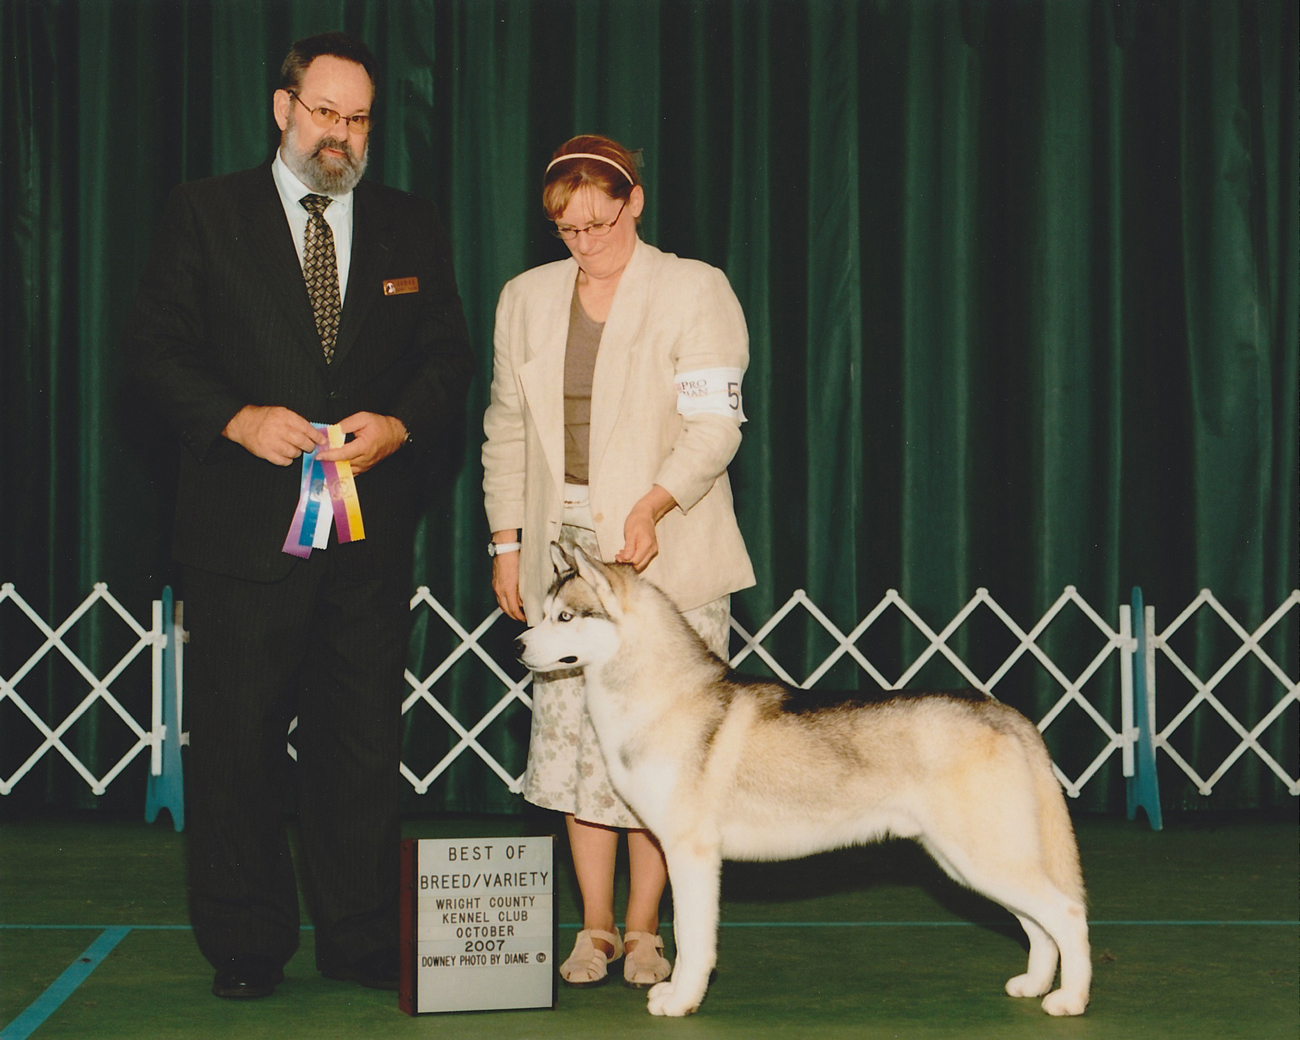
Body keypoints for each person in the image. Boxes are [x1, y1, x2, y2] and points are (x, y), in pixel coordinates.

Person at [126, 32, 473, 999]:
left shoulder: (410, 223)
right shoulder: (203, 212)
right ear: (283, 109)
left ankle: (360, 937)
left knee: (360, 746)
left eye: (359, 119)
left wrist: (399, 426)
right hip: (241, 538)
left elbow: (448, 357)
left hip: (365, 537)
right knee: (236, 748)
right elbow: (152, 351)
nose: (341, 134)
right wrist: (236, 418)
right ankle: (245, 943)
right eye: (326, 112)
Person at [482, 134, 754, 988]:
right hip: (560, 553)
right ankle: (593, 928)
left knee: (664, 753)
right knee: (575, 750)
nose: (586, 242)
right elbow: (506, 429)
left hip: (668, 548)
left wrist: (653, 503)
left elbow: (715, 425)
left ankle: (644, 932)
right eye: (568, 229)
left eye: (600, 223)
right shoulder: (524, 298)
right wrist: (506, 543)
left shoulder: (695, 288)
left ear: (634, 203)